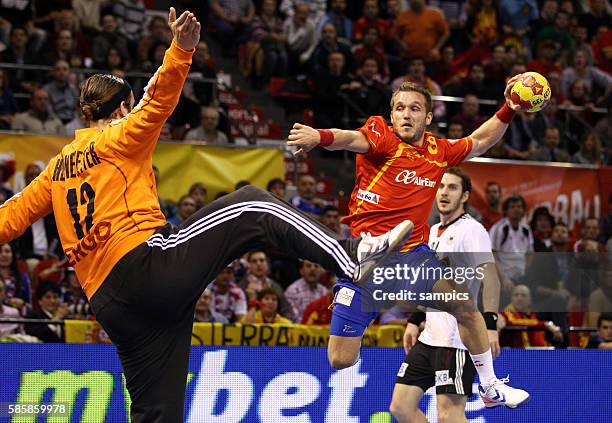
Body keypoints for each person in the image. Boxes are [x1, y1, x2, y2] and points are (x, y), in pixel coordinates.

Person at [0, 9, 411, 421]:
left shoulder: (54, 171)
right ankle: (354, 257)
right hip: (145, 266)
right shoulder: (118, 136)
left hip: (113, 307)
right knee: (253, 204)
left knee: (155, 413)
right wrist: (181, 49)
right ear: (121, 108)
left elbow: (9, 220)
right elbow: (156, 101)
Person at [287, 77, 533, 407]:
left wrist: (509, 108)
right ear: (391, 115)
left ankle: (490, 386)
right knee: (340, 359)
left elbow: (480, 141)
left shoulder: (437, 152)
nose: (406, 114)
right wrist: (320, 136)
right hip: (366, 260)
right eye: (399, 108)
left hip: (411, 257)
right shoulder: (381, 137)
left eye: (415, 109)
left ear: (428, 118)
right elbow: (351, 139)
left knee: (466, 309)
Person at [391, 167, 502, 422]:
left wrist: (490, 323)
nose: (443, 192)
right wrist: (414, 320)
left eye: (452, 187)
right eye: (440, 186)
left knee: (448, 415)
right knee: (401, 407)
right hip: (429, 338)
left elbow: (491, 279)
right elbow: (428, 285)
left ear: (464, 196)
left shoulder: (472, 230)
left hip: (457, 341)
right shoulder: (430, 232)